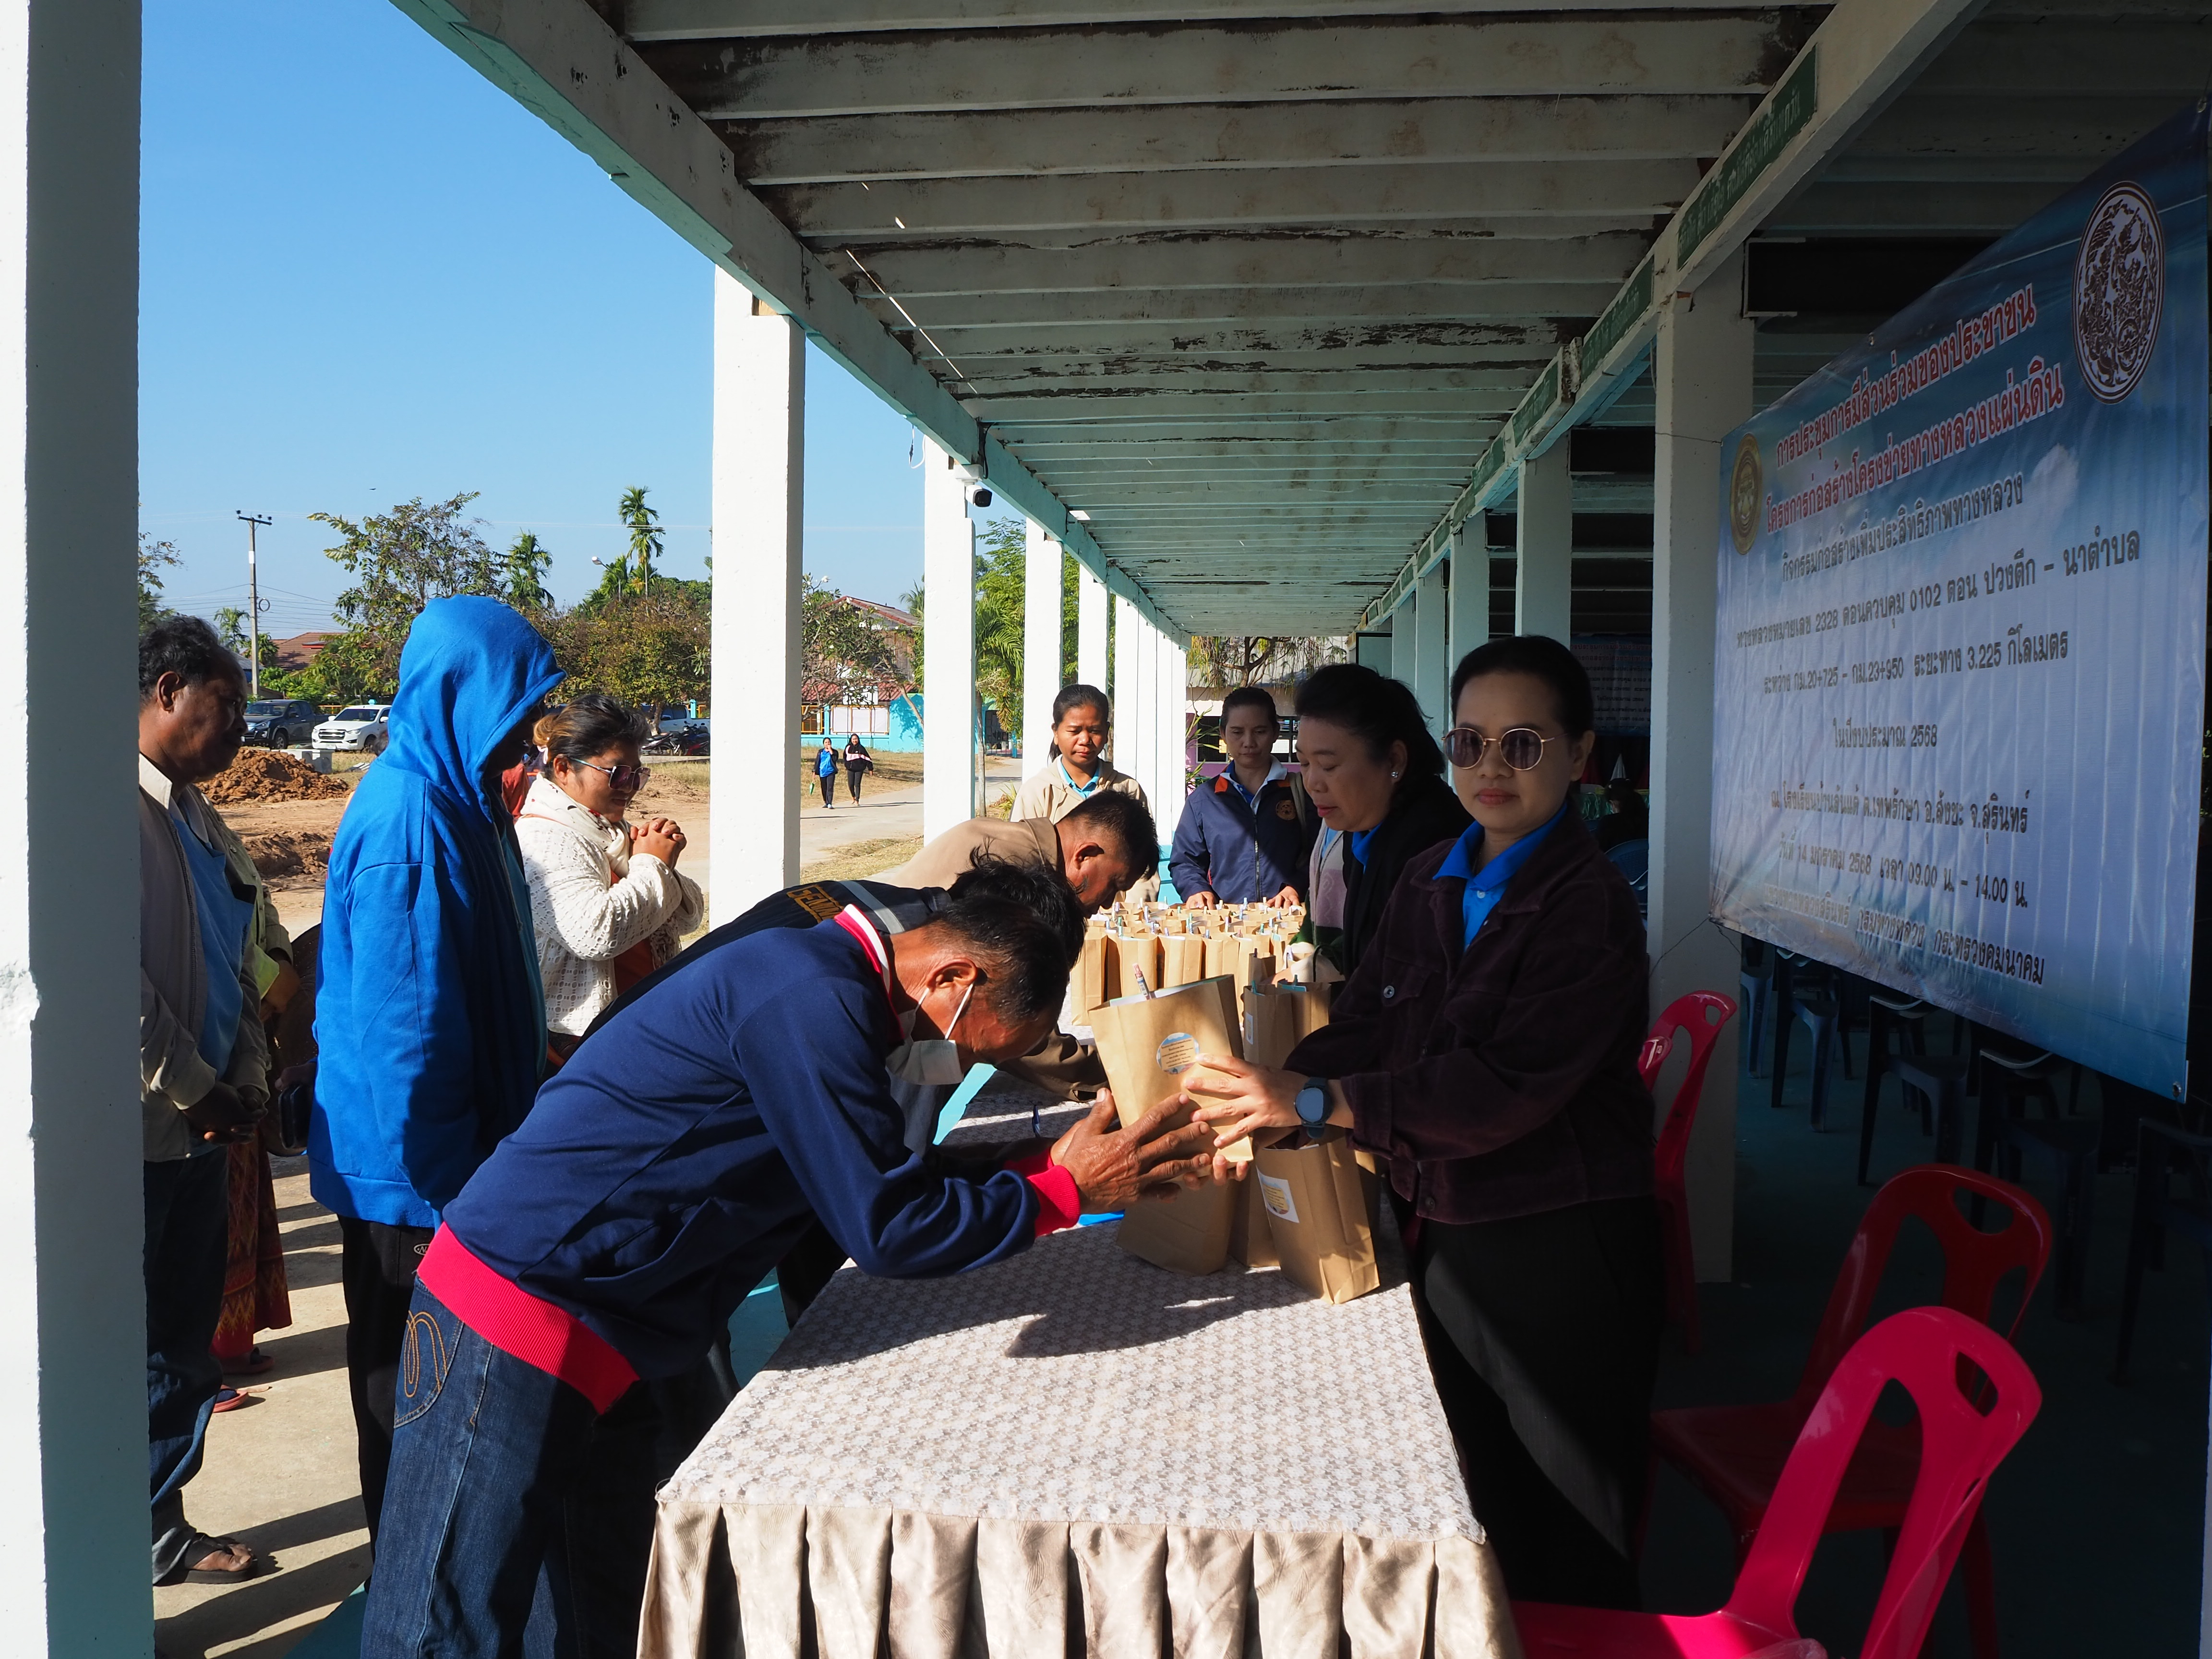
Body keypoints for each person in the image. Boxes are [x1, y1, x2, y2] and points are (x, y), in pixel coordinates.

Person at [360, 860, 1214, 1657]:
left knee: (595, 1609)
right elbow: (889, 1228)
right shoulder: (809, 996)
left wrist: (1042, 1165)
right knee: (444, 1626)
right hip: (513, 1317)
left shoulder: (839, 991)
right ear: (956, 977)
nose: (956, 1066)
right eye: (975, 1050)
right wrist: (1060, 1190)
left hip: (600, 1332)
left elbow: (880, 1173)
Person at [1184, 636, 1659, 1611]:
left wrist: (1313, 1103)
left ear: (1579, 755)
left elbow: (1502, 1088)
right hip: (1446, 1217)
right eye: (1471, 742)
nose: (1490, 768)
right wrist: (1258, 1091)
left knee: (1565, 1531)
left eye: (1522, 745)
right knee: (1476, 1489)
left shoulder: (1589, 905)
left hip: (1559, 1245)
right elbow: (1369, 1023)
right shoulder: (1432, 875)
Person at [309, 596, 565, 1550]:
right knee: (409, 1402)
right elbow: (404, 1040)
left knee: (446, 1402)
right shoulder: (411, 822)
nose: (524, 740)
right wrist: (457, 1195)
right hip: (414, 1184)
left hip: (456, 1165)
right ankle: (407, 1588)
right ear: (461, 695)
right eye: (514, 713)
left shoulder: (461, 798)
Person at [137, 615, 277, 1586]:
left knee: (183, 1352)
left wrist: (250, 1076)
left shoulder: (194, 813)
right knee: (137, 1352)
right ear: (167, 690)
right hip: (147, 1132)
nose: (240, 726)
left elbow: (242, 948)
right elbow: (114, 985)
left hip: (205, 1125)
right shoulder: (106, 811)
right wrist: (196, 1089)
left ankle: (158, 1527)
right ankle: (126, 1557)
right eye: (225, 703)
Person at [515, 692, 704, 1058]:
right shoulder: (543, 837)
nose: (630, 787)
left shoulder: (609, 830)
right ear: (564, 768)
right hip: (580, 1042)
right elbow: (594, 934)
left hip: (639, 1022)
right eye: (618, 774)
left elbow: (688, 918)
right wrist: (652, 865)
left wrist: (662, 862)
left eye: (638, 774)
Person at [1292, 663, 1469, 975]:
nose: (1312, 783)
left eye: (1328, 766)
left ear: (1394, 760)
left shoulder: (1434, 847)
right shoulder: (1362, 826)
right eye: (1304, 763)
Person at [1171, 685, 1313, 907]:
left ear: (1275, 732)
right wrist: (1196, 890)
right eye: (1237, 732)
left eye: (1260, 731)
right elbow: (1185, 861)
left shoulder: (1303, 792)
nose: (1248, 742)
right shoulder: (1204, 800)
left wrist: (1296, 886)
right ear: (1223, 734)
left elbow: (1321, 851)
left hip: (1289, 917)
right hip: (1226, 922)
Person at [1010, 683, 1148, 823]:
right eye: (1074, 731)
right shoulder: (1036, 794)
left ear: (1106, 732)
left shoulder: (1128, 790)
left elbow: (1144, 837)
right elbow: (1021, 838)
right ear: (1056, 732)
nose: (1085, 740)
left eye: (1095, 731)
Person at [843, 733, 873, 802]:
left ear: (858, 740)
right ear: (851, 740)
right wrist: (846, 765)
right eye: (853, 739)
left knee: (857, 784)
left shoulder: (861, 748)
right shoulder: (848, 747)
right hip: (850, 769)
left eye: (856, 739)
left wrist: (870, 769)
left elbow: (867, 759)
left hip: (859, 769)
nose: (855, 741)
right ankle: (853, 796)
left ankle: (857, 799)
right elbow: (845, 757)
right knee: (851, 785)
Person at [815, 737, 839, 808]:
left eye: (829, 742)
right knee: (824, 788)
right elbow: (817, 762)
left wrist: (830, 750)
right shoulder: (820, 752)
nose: (827, 744)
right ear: (823, 744)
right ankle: (826, 802)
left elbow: (835, 759)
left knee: (830, 788)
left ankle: (830, 803)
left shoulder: (835, 752)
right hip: (822, 772)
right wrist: (814, 771)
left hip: (831, 772)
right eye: (826, 742)